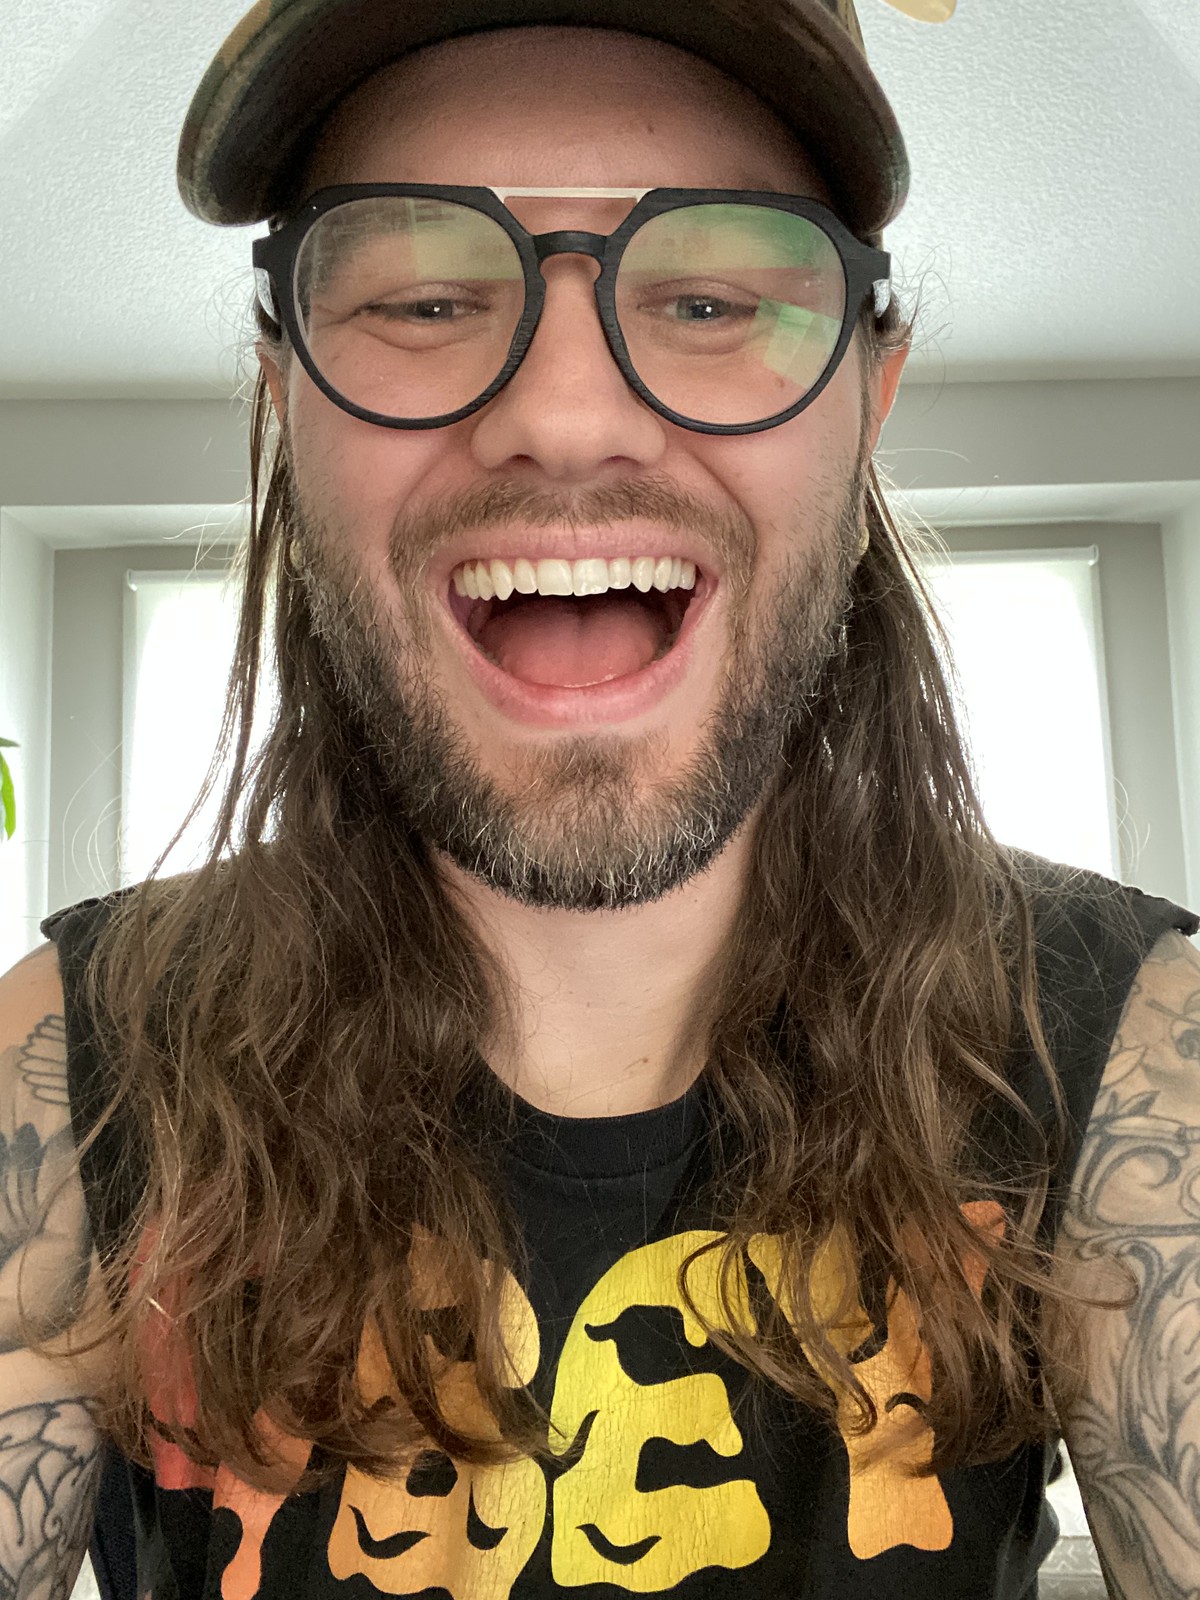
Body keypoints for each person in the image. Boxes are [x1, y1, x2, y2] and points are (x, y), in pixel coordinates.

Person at [2, 0, 1197, 1595]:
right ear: (284, 395)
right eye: (426, 299)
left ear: (870, 396)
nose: (563, 417)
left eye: (708, 299)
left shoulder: (1134, 1054)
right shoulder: (61, 1068)